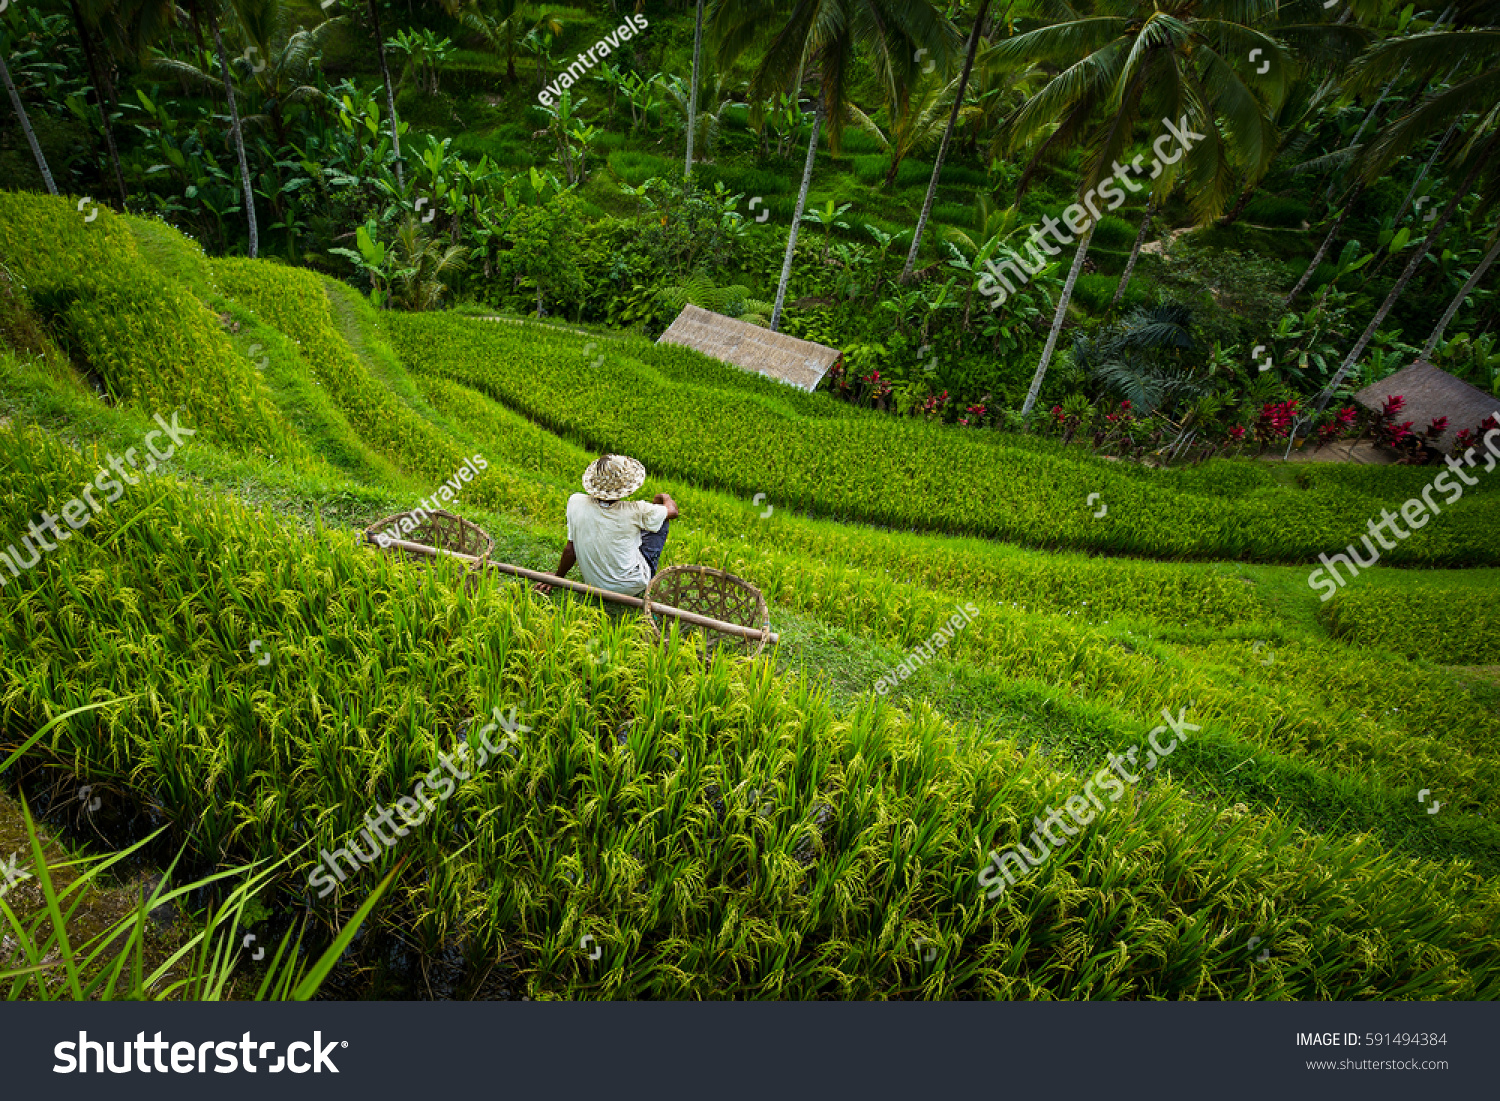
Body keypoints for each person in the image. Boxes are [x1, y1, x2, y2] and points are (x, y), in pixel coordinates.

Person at [536, 454, 677, 598]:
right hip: (632, 586)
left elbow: (570, 550)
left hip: (594, 585)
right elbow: (673, 512)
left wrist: (557, 577)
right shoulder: (637, 510)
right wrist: (663, 497)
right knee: (661, 521)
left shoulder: (575, 502)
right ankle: (647, 572)